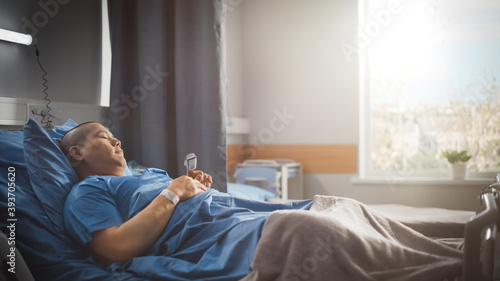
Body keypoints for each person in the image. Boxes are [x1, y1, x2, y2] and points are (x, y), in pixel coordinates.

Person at [59, 122, 312, 278]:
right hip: (211, 234)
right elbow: (115, 249)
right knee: (304, 231)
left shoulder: (143, 175)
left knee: (333, 210)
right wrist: (174, 192)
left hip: (234, 212)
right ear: (77, 151)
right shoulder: (87, 191)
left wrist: (192, 187)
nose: (117, 140)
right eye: (103, 136)